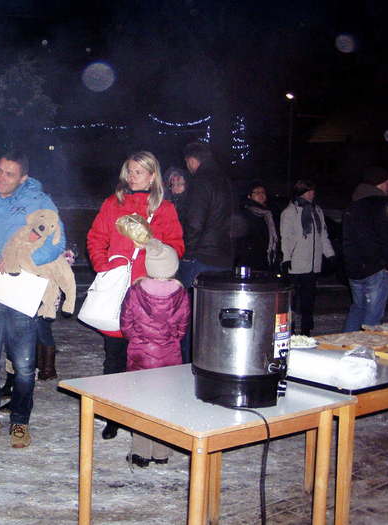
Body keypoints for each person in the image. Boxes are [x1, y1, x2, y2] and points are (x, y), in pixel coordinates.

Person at [0, 150, 65, 449]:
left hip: (21, 291)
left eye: (9, 174)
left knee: (23, 364)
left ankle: (20, 422)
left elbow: (57, 242)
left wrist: (23, 259)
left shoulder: (38, 201)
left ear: (23, 178)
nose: (1, 178)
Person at [86, 151, 184, 440]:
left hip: (148, 294)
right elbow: (96, 238)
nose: (132, 176)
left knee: (144, 358)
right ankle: (114, 415)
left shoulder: (165, 209)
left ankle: (142, 416)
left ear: (152, 176)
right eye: (129, 171)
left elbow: (177, 247)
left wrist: (155, 249)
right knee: (114, 355)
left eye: (139, 172)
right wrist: (104, 265)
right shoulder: (113, 203)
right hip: (118, 290)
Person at [120, 239, 190, 467]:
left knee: (142, 403)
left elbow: (126, 323)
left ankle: (141, 452)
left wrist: (137, 339)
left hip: (140, 356)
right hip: (170, 355)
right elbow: (182, 327)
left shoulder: (135, 291)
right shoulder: (181, 294)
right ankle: (161, 452)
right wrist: (170, 340)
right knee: (164, 402)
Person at [177, 142, 234, 364]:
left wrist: (188, 252)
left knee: (190, 316)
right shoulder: (225, 181)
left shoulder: (201, 181)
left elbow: (195, 221)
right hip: (224, 256)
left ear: (192, 160)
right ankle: (213, 362)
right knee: (213, 317)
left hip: (201, 258)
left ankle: (188, 365)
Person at [342, 167, 388, 331]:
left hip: (355, 268)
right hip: (376, 269)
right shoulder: (381, 205)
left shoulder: (353, 205)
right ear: (379, 183)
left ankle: (346, 343)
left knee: (358, 308)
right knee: (373, 316)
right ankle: (366, 345)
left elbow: (347, 238)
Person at [280, 179, 335, 336]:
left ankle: (306, 330)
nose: (312, 193)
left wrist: (330, 254)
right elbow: (286, 237)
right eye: (309, 191)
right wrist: (286, 258)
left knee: (308, 301)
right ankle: (289, 330)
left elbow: (323, 235)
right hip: (296, 264)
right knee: (292, 301)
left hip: (312, 264)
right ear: (301, 192)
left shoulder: (317, 211)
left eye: (313, 190)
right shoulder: (290, 212)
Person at [235, 181, 280, 272]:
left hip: (266, 256)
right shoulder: (245, 212)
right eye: (257, 192)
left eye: (263, 192)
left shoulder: (269, 213)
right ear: (249, 196)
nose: (261, 195)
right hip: (249, 258)